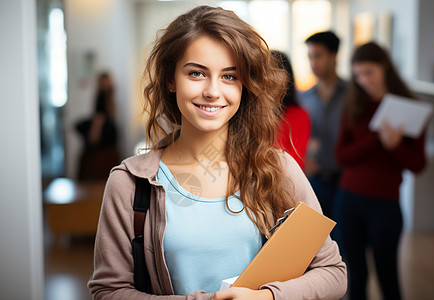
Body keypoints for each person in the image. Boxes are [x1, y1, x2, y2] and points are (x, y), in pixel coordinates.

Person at [88, 6, 346, 300]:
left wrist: (267, 297)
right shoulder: (130, 183)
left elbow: (333, 272)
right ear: (170, 79)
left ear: (244, 86)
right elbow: (108, 291)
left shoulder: (278, 169)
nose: (213, 91)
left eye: (229, 76)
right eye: (196, 73)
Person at [333, 42, 427, 300]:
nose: (363, 80)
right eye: (358, 75)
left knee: (388, 276)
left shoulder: (409, 108)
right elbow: (341, 156)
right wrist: (376, 137)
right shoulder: (353, 104)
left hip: (385, 204)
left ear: (385, 67)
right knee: (356, 275)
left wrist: (394, 146)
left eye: (369, 73)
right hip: (349, 200)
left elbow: (418, 165)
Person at [300, 31, 347, 218]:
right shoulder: (304, 98)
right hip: (315, 181)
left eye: (318, 56)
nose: (313, 63)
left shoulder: (353, 95)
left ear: (334, 56)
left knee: (346, 245)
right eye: (310, 57)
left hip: (346, 181)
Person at [75, 72, 119, 180]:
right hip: (104, 135)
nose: (111, 82)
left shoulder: (108, 96)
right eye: (108, 80)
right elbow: (99, 118)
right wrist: (95, 133)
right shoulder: (102, 96)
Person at [272, 50, 310, 169]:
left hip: (283, 182)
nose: (269, 75)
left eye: (276, 69)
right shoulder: (249, 111)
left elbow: (295, 160)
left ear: (287, 77)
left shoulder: (298, 115)